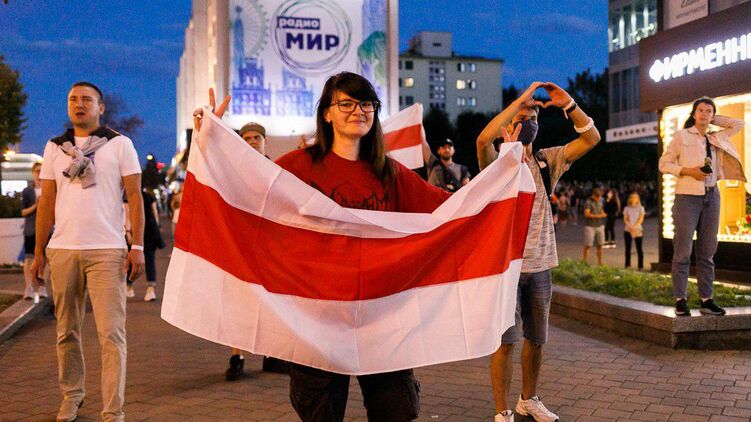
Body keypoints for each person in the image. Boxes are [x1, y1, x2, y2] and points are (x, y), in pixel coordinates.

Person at [196, 73, 451, 421]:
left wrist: (507, 174)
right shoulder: (297, 167)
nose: (357, 111)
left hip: (381, 318)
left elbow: (451, 210)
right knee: (320, 414)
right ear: (327, 114)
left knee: (396, 410)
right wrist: (212, 141)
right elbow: (244, 191)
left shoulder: (391, 173)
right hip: (315, 322)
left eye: (366, 103)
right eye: (346, 103)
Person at [477, 81, 601, 422]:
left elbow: (591, 139)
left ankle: (528, 400)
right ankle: (502, 410)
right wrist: (518, 103)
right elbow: (483, 141)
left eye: (533, 117)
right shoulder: (497, 165)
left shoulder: (548, 161)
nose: (528, 121)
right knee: (506, 341)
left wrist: (570, 105)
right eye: (522, 117)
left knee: (537, 339)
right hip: (506, 269)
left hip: (541, 265)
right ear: (509, 122)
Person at [31, 81, 145, 422]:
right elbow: (46, 202)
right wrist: (39, 252)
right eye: (73, 99)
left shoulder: (120, 144)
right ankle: (72, 396)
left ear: (100, 108)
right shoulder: (55, 147)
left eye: (86, 99)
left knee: (111, 334)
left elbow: (135, 197)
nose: (78, 104)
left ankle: (113, 410)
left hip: (107, 250)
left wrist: (137, 246)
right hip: (63, 249)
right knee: (66, 331)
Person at [658, 97, 745, 316]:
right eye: (701, 110)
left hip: (712, 196)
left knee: (707, 252)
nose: (704, 114)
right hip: (687, 197)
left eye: (708, 111)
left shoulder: (717, 136)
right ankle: (681, 300)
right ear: (693, 114)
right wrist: (689, 171)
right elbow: (664, 164)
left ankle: (706, 300)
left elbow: (739, 124)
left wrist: (713, 120)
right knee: (683, 252)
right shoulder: (682, 136)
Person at [224, 121, 288, 380]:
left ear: (265, 141)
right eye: (247, 138)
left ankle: (271, 354)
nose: (252, 142)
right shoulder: (233, 172)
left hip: (270, 245)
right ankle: (237, 356)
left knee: (271, 301)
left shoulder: (277, 171)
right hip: (241, 244)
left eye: (256, 138)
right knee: (239, 302)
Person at [126, 186, 164, 301]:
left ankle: (129, 288)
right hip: (150, 231)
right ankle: (150, 290)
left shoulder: (129, 197)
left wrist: (127, 231)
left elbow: (128, 216)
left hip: (135, 232)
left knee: (131, 260)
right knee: (150, 260)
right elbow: (155, 213)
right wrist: (157, 226)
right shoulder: (149, 197)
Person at [21, 162, 48, 302]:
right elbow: (23, 212)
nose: (39, 174)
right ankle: (29, 287)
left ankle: (42, 287)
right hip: (31, 229)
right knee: (29, 258)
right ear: (33, 173)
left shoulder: (49, 189)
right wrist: (36, 206)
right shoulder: (27, 191)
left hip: (47, 229)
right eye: (37, 171)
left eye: (41, 171)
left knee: (45, 259)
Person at [583, 187, 607, 266]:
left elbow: (602, 211)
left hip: (599, 226)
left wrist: (603, 214)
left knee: (600, 245)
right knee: (588, 245)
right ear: (593, 195)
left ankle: (600, 263)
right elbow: (587, 214)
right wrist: (600, 216)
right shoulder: (588, 202)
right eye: (597, 196)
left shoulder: (600, 202)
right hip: (590, 226)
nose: (599, 198)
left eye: (599, 197)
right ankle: (584, 262)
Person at [623, 192, 645, 270]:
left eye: (635, 198)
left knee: (639, 248)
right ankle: (627, 265)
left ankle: (640, 266)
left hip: (638, 230)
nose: (633, 199)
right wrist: (630, 227)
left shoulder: (641, 208)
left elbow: (641, 219)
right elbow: (625, 219)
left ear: (638, 199)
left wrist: (634, 227)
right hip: (628, 229)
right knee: (628, 248)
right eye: (631, 197)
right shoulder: (626, 208)